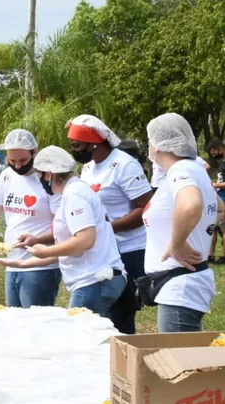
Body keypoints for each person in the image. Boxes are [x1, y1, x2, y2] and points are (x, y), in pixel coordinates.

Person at [0, 146, 126, 317]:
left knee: (78, 338)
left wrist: (45, 251)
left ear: (49, 174)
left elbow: (85, 240)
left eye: (40, 175)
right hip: (94, 280)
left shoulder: (75, 195)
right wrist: (25, 261)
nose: (40, 181)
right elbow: (67, 249)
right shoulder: (73, 192)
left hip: (93, 280)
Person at [67, 114, 153, 335]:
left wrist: (106, 229)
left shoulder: (124, 165)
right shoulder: (88, 168)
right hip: (101, 251)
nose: (74, 150)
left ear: (94, 143)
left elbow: (145, 208)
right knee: (97, 317)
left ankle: (124, 361)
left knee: (120, 318)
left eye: (77, 145)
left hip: (128, 250)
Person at [0, 129, 62, 308]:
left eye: (22, 160)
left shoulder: (48, 179)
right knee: (13, 322)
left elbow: (62, 226)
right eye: (12, 161)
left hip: (40, 267)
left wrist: (39, 240)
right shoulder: (7, 176)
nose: (17, 166)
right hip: (12, 263)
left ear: (35, 152)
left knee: (33, 325)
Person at [143, 113, 220, 333]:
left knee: (178, 362)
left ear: (158, 146)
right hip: (183, 282)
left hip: (180, 286)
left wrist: (177, 243)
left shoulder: (180, 170)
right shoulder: (196, 169)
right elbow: (219, 208)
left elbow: (191, 206)